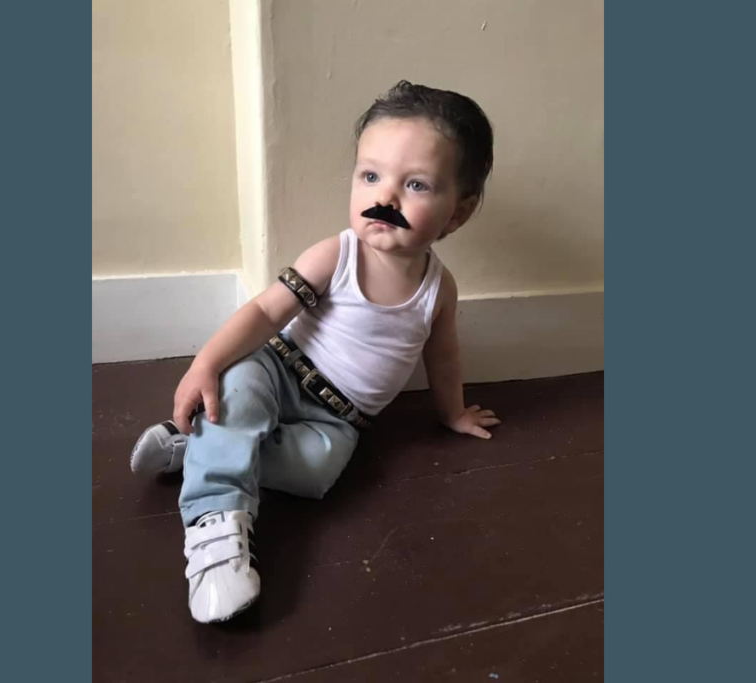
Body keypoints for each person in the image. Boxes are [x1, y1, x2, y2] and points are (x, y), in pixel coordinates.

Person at [129, 81, 501, 623]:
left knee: (318, 474)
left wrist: (453, 413)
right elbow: (265, 312)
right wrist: (206, 362)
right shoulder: (337, 257)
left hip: (338, 419)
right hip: (277, 369)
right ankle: (215, 526)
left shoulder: (438, 290)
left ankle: (201, 445)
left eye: (416, 184)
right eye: (370, 176)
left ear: (457, 214)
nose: (385, 199)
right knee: (237, 394)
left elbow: (442, 357)